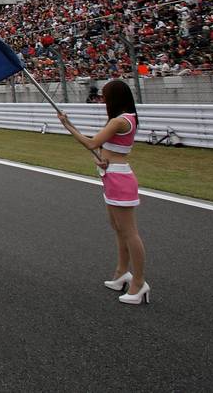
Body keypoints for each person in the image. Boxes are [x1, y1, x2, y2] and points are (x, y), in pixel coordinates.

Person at [58, 80, 150, 305]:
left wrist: (68, 126)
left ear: (115, 97)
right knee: (118, 229)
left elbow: (91, 143)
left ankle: (139, 282)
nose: (102, 99)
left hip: (120, 178)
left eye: (105, 96)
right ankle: (121, 273)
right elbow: (103, 149)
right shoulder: (124, 119)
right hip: (111, 175)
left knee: (129, 232)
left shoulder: (120, 120)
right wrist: (101, 159)